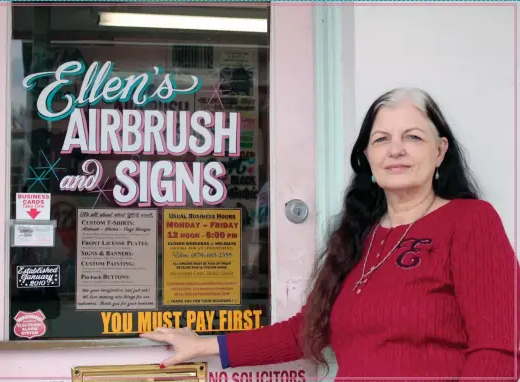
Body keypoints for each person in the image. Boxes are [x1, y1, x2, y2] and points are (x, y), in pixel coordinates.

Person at [141, 88, 520, 380]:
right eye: (381, 139)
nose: (396, 150)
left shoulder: (471, 220)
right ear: (368, 158)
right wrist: (205, 344)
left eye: (414, 138)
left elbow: (498, 350)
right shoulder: (358, 235)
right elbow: (302, 333)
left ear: (440, 152)